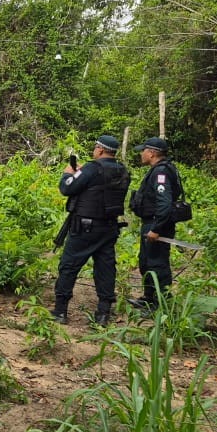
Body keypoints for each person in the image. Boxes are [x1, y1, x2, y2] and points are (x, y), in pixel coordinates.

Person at [50, 135, 130, 325]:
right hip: (110, 227)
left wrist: (68, 174)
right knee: (105, 268)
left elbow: (67, 188)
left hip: (85, 227)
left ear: (100, 150)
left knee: (69, 266)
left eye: (95, 148)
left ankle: (60, 311)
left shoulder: (91, 168)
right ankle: (103, 314)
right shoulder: (122, 171)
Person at [129, 136, 181, 311]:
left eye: (143, 151)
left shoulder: (161, 173)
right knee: (146, 263)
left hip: (157, 225)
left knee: (157, 265)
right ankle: (149, 298)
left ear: (151, 153)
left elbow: (164, 204)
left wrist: (156, 229)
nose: (141, 154)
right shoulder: (159, 170)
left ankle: (161, 303)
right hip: (151, 223)